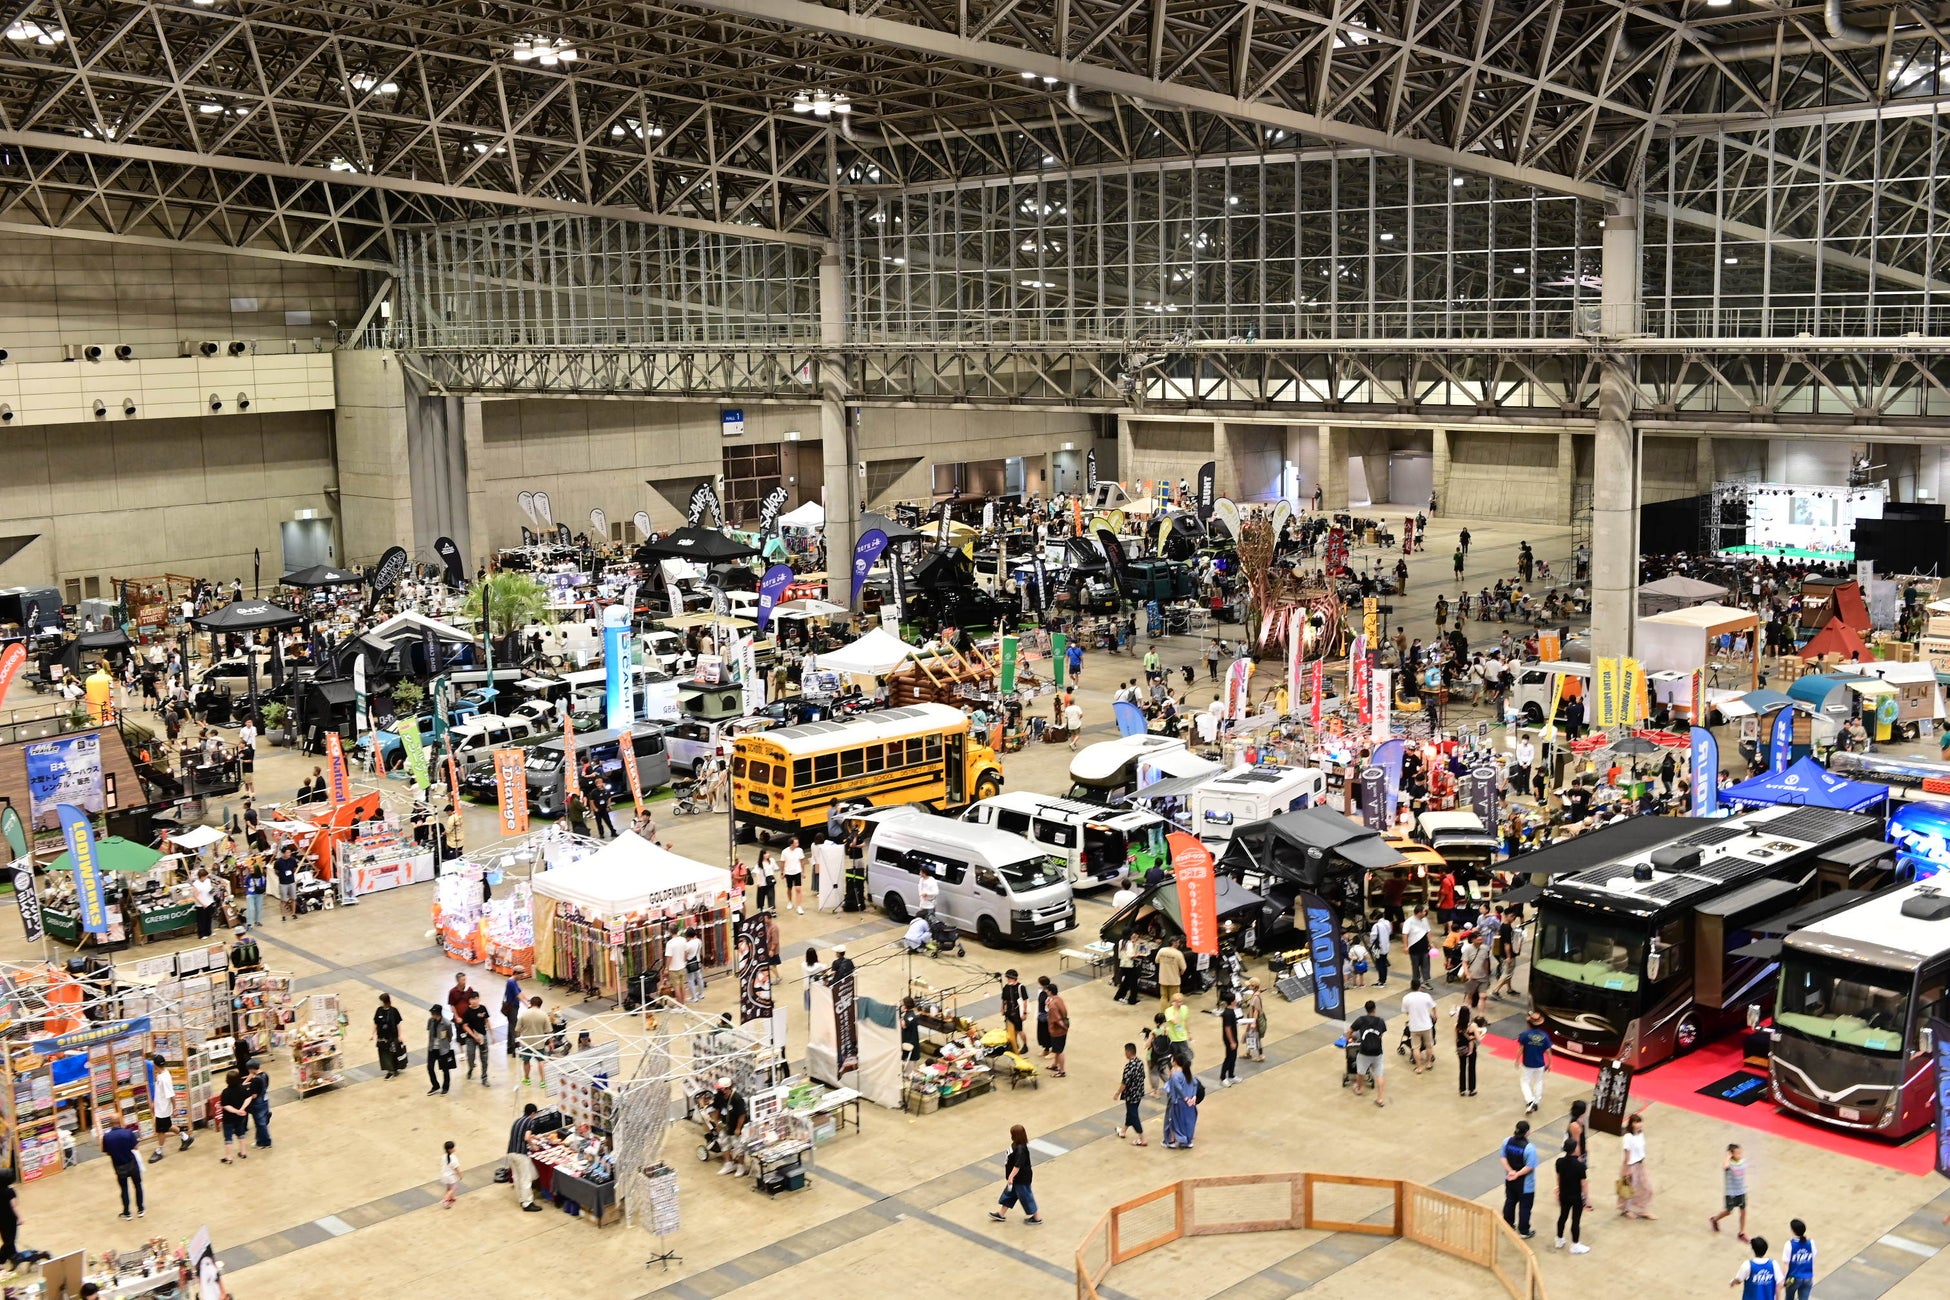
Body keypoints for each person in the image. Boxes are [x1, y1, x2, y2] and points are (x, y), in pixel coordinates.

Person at [988, 1125, 1041, 1224]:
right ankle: (1001, 1214)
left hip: (1021, 1179)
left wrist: (1011, 1177)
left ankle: (1037, 1218)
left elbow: (1018, 1165)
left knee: (1026, 1197)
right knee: (1010, 1194)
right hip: (1016, 1179)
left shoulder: (1021, 1149)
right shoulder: (1016, 1145)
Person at [1501, 1119, 1540, 1239]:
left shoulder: (1506, 1141)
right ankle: (1524, 1230)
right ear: (1527, 1132)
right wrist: (1517, 1174)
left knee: (1510, 1201)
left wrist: (1511, 1171)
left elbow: (1503, 1158)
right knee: (1525, 1207)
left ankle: (1507, 1224)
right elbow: (1530, 1166)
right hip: (1525, 1184)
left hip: (1510, 1180)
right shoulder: (1529, 1148)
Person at [148, 1053, 192, 1161]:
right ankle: (186, 1138)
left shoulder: (164, 1078)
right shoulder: (162, 1074)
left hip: (163, 1109)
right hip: (160, 1107)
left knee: (161, 1131)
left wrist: (175, 1108)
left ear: (156, 1065)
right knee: (167, 1126)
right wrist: (154, 1102)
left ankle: (159, 1151)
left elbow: (171, 1095)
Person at [102, 1113, 145, 1218]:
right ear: (120, 1121)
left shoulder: (106, 1137)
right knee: (138, 1186)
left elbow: (107, 1152)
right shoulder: (128, 1133)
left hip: (119, 1166)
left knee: (124, 1189)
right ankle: (140, 1209)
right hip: (132, 1163)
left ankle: (127, 1212)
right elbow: (135, 1147)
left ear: (110, 1124)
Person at [505, 1103, 545, 1212]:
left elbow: (521, 1134)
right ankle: (528, 1203)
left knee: (517, 1177)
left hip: (510, 1152)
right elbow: (527, 1137)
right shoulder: (530, 1121)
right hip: (520, 1154)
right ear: (533, 1113)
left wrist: (534, 1136)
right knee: (526, 1178)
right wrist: (534, 1146)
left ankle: (522, 1199)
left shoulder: (517, 1121)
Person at [1554, 1136, 1591, 1253]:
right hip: (1575, 1196)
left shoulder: (1559, 1162)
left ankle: (1559, 1239)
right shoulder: (1580, 1166)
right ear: (1575, 1149)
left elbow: (1559, 1177)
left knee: (1563, 1216)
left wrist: (1559, 1189)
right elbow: (1584, 1183)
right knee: (1575, 1220)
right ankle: (1575, 1244)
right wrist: (1587, 1198)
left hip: (1564, 1194)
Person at [1349, 999, 1388, 1106]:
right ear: (1375, 1009)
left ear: (1365, 1010)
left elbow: (1349, 1031)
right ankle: (1380, 1098)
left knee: (1361, 1071)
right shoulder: (1380, 1021)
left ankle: (1359, 1089)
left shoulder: (1361, 1020)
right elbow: (1381, 1034)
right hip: (1377, 1052)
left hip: (1364, 1051)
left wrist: (1349, 1038)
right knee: (1379, 1074)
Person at [1618, 1112, 1655, 1218]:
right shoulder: (1628, 1137)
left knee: (1647, 1188)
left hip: (1640, 1164)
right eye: (1638, 1122)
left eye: (1641, 1122)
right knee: (1629, 1188)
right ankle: (1626, 1210)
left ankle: (1641, 1209)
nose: (1640, 1124)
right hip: (1631, 1165)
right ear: (1632, 1124)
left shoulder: (1640, 1134)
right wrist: (1626, 1170)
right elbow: (1627, 1155)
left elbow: (1641, 1150)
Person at [1710, 1143, 1749, 1240]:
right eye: (1737, 1153)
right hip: (1731, 1193)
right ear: (1731, 1154)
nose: (1740, 1155)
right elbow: (1725, 1166)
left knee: (1743, 1211)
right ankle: (1715, 1219)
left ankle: (1742, 1233)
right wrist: (1728, 1156)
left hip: (1741, 1192)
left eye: (1740, 1153)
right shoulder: (1729, 1165)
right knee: (1728, 1211)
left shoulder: (1743, 1162)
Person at [1516, 1010, 1551, 1113]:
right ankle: (1536, 1101)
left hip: (1527, 1063)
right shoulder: (1545, 1036)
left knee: (1524, 1082)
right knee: (1538, 1082)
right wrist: (1550, 1063)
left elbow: (1521, 1049)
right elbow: (1548, 1051)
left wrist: (1517, 1060)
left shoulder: (1525, 1035)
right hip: (1540, 1064)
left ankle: (1530, 1100)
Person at [1112, 1042, 1147, 1146]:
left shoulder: (1129, 1066)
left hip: (1131, 1095)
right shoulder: (1140, 1062)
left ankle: (1143, 1138)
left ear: (1128, 1052)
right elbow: (1143, 1076)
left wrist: (1117, 1093)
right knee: (1131, 1112)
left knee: (1133, 1115)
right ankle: (1123, 1131)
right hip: (1139, 1093)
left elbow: (1125, 1083)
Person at [1163, 1057, 1201, 1149]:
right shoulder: (1189, 1074)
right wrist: (1193, 1097)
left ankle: (1171, 1141)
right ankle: (1187, 1141)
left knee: (1174, 1121)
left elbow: (1176, 1088)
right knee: (1188, 1122)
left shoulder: (1176, 1075)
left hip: (1180, 1102)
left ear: (1175, 1062)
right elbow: (1195, 1084)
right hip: (1191, 1103)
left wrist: (1185, 1098)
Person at [515, 997, 553, 1086]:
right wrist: (551, 1042)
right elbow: (549, 1031)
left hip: (526, 1043)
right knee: (541, 1061)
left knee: (526, 1061)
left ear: (531, 1003)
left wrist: (519, 1039)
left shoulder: (523, 1014)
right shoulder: (544, 1015)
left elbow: (517, 1029)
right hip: (539, 1043)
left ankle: (527, 1079)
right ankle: (543, 1081)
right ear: (540, 1005)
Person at [1038, 975, 1070, 1076]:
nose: (1046, 992)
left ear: (1050, 992)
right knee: (1056, 1050)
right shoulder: (1059, 999)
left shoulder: (1052, 1005)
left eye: (1047, 991)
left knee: (1059, 1051)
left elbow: (1057, 1019)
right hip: (1062, 1029)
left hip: (1057, 1031)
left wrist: (1063, 1027)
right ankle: (1055, 1064)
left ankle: (1062, 1071)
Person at [218, 1069, 252, 1163]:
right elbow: (249, 1098)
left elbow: (226, 1106)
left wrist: (236, 1111)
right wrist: (242, 1109)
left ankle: (228, 1157)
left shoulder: (225, 1092)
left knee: (228, 1137)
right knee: (241, 1134)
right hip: (241, 1118)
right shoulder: (243, 1088)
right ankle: (243, 1152)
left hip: (228, 1119)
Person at [460, 991, 492, 1085]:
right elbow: (465, 1026)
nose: (473, 1001)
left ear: (478, 999)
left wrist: (491, 1033)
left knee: (484, 1058)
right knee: (470, 1056)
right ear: (469, 1000)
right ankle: (470, 1068)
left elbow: (486, 1020)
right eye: (471, 999)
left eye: (475, 999)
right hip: (471, 1039)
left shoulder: (483, 1008)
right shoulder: (467, 1012)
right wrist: (474, 1036)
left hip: (483, 1037)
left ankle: (484, 1078)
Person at [373, 993, 405, 1079]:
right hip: (382, 1036)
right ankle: (389, 1069)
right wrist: (372, 1034)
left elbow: (398, 1024)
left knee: (392, 1053)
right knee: (383, 1053)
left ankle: (393, 1070)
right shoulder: (379, 1010)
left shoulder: (394, 1011)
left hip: (392, 1036)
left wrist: (400, 1035)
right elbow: (376, 1023)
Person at [426, 1004, 455, 1095]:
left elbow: (450, 1036)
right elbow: (429, 1031)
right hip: (432, 1048)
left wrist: (446, 1045)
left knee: (445, 1069)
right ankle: (435, 1085)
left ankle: (445, 1087)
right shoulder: (430, 1021)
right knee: (430, 1067)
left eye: (433, 1013)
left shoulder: (446, 1023)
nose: (432, 1015)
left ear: (437, 1013)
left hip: (442, 1049)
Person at [1784, 1220, 1815, 1300]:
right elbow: (1813, 1256)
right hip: (1808, 1277)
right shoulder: (1811, 1243)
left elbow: (1786, 1264)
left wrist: (1784, 1279)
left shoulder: (1789, 1244)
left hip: (1793, 1278)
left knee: (1789, 1297)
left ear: (1793, 1231)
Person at [245, 1062, 272, 1148]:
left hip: (258, 1104)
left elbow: (254, 1095)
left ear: (252, 1069)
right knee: (262, 1123)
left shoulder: (255, 1080)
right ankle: (259, 1141)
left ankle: (266, 1142)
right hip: (265, 1101)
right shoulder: (265, 1075)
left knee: (260, 1124)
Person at [1404, 905, 1433, 986]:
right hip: (1414, 947)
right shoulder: (1409, 922)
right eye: (1424, 911)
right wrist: (1406, 946)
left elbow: (1428, 931)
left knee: (1426, 964)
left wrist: (1431, 943)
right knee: (1415, 965)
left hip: (1424, 946)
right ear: (1419, 913)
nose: (1425, 912)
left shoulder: (1425, 920)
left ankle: (1426, 981)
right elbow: (1405, 934)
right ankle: (1416, 981)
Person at [1154, 939, 1185, 1014]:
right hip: (1174, 979)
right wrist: (1180, 973)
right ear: (1175, 943)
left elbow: (1156, 961)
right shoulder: (1178, 953)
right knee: (1174, 998)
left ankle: (1163, 1013)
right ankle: (1172, 1014)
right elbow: (1183, 967)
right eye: (1178, 942)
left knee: (1164, 997)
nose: (1179, 944)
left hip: (1163, 978)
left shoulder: (1162, 950)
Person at [1000, 970, 1027, 1052]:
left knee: (1019, 1030)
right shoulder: (1006, 987)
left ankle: (1025, 1045)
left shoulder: (1021, 987)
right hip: (1008, 1011)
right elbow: (1004, 1000)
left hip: (1017, 1011)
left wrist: (1024, 1013)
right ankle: (1014, 1044)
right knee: (1011, 1029)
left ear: (1013, 978)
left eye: (1009, 978)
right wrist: (1002, 1008)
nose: (1008, 980)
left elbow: (1025, 1000)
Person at [1163, 993, 1192, 1066]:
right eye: (1177, 1002)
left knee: (1186, 1057)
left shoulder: (1185, 1008)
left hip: (1182, 1037)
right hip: (1173, 1038)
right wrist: (1176, 1009)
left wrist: (1189, 1033)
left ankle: (1185, 1071)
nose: (1179, 1004)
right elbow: (1175, 1022)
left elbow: (1186, 1021)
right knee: (1173, 1057)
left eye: (1181, 1001)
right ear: (1173, 1002)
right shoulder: (1168, 1011)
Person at [1241, 978, 1267, 1063]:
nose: (1248, 986)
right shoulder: (1255, 995)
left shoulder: (1256, 997)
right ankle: (1248, 1052)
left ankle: (1260, 1055)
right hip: (1251, 1019)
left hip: (1254, 1020)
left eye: (1250, 985)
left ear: (1254, 986)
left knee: (1256, 1037)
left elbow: (1256, 1010)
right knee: (1250, 1035)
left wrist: (1253, 1022)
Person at [1218, 992, 1240, 1087]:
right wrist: (1231, 1042)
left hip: (1234, 1037)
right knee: (1229, 1057)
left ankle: (1231, 1075)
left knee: (1234, 1057)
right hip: (1229, 1039)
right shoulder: (1227, 1013)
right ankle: (1223, 1077)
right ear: (1232, 1002)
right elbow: (1227, 1029)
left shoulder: (1232, 1011)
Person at [1113, 934, 1142, 1005]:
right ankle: (1132, 1000)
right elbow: (1131, 955)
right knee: (1134, 983)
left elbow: (1120, 954)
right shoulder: (1129, 943)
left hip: (1123, 964)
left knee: (1126, 981)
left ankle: (1118, 996)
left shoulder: (1121, 941)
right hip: (1129, 965)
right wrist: (1137, 954)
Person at [781, 837, 806, 914]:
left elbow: (802, 861)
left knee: (798, 888)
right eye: (796, 843)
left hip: (797, 871)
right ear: (791, 844)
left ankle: (799, 906)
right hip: (788, 872)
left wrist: (803, 872)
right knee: (789, 888)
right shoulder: (785, 852)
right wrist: (782, 872)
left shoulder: (799, 850)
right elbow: (782, 862)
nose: (797, 844)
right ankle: (790, 901)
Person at [1367, 911, 1392, 987]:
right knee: (1384, 963)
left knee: (1379, 964)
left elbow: (1373, 936)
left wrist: (1371, 942)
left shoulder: (1376, 926)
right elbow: (1390, 932)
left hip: (1379, 947)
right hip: (1386, 945)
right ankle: (1384, 980)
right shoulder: (1387, 922)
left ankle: (1381, 981)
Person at [191, 867, 217, 938]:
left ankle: (209, 932)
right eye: (205, 876)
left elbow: (210, 889)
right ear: (201, 876)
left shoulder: (208, 881)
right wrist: (202, 904)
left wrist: (213, 891)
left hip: (209, 901)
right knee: (202, 920)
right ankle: (202, 934)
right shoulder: (196, 884)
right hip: (201, 904)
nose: (206, 877)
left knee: (208, 918)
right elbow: (195, 896)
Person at [241, 859, 267, 929]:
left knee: (258, 908)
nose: (251, 870)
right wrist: (246, 892)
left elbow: (263, 885)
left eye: (252, 868)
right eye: (250, 868)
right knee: (251, 909)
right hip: (250, 894)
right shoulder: (248, 877)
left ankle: (257, 921)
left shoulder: (262, 877)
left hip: (259, 894)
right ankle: (249, 923)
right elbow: (246, 884)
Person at [0, 1171, 17, 1270]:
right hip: (10, 1219)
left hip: (1, 1219)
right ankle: (1, 1259)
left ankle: (13, 1255)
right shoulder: (10, 1192)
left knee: (6, 1237)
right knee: (10, 1240)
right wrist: (20, 1217)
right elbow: (14, 1206)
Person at [440, 1140, 461, 1208]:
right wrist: (460, 1175)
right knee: (454, 1188)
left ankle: (450, 1198)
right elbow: (456, 1168)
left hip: (444, 1175)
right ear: (450, 1149)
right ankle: (446, 1199)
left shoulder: (444, 1156)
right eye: (453, 1147)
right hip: (450, 1176)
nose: (454, 1148)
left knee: (448, 1187)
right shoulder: (453, 1158)